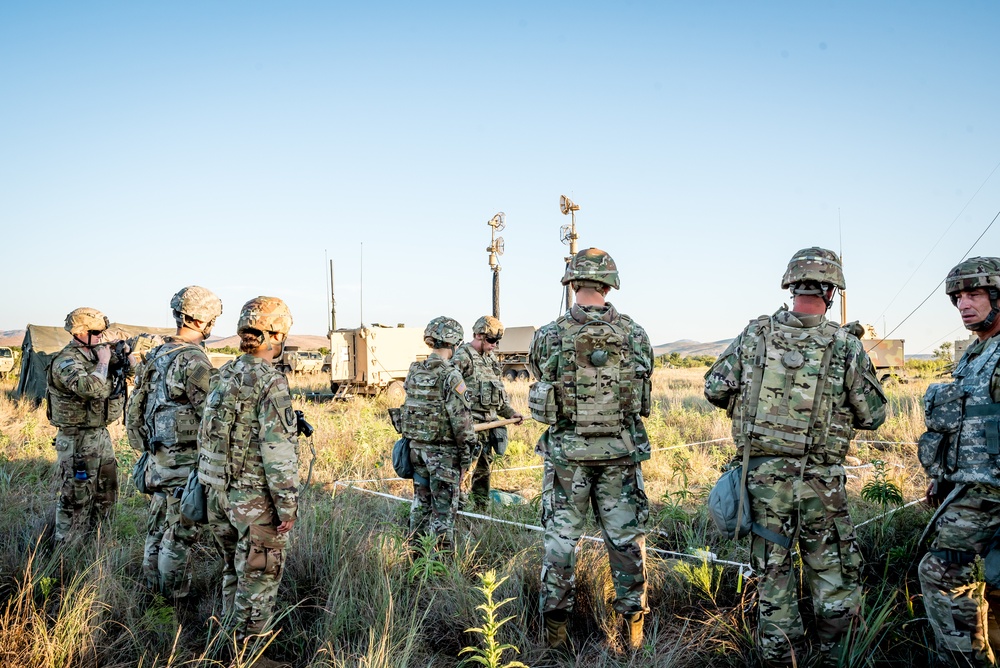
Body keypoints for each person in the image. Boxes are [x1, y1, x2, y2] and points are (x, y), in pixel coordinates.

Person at [704, 247, 887, 665]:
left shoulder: (754, 335)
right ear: (831, 290)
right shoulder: (845, 345)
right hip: (820, 483)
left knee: (772, 575)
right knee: (833, 571)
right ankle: (836, 656)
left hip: (762, 481)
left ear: (790, 286)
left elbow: (714, 388)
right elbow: (873, 416)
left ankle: (780, 656)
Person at [528, 248, 654, 651]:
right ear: (608, 283)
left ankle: (555, 638)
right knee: (626, 541)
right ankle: (632, 638)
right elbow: (645, 374)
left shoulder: (549, 334)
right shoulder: (634, 333)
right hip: (620, 456)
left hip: (568, 459)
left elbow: (536, 372)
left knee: (561, 542)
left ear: (572, 283)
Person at [197, 296, 299, 641]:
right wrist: (287, 506)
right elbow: (278, 451)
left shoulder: (224, 373)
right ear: (277, 334)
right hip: (254, 502)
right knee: (258, 581)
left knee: (233, 572)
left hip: (218, 495)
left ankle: (227, 640)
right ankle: (247, 656)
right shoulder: (270, 381)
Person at [918, 257, 1000, 667]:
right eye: (958, 298)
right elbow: (962, 423)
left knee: (943, 572)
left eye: (974, 294)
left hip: (992, 488)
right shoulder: (974, 354)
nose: (964, 305)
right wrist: (943, 476)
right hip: (974, 484)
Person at [126, 286, 222, 599]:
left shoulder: (159, 353)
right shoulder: (192, 360)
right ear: (206, 320)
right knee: (179, 536)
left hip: (158, 459)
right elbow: (214, 411)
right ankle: (172, 602)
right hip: (184, 466)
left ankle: (151, 593)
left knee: (157, 530)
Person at [47, 307, 130, 545]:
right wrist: (104, 362)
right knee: (75, 497)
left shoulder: (94, 355)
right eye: (97, 332)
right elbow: (89, 388)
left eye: (103, 332)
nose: (102, 337)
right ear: (80, 332)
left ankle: (97, 545)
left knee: (106, 491)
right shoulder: (66, 361)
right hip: (76, 439)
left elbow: (133, 371)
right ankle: (67, 555)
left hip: (99, 435)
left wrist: (126, 354)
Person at [400, 316, 477, 553]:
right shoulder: (450, 376)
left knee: (420, 506)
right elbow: (462, 423)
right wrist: (467, 459)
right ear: (454, 344)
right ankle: (439, 569)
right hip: (443, 456)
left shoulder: (415, 370)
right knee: (443, 513)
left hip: (416, 451)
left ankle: (415, 556)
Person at [451, 315, 523, 509]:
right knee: (461, 474)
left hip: (489, 427)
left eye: (497, 341)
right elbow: (449, 395)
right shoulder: (462, 357)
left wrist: (510, 413)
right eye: (491, 340)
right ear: (478, 335)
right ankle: (457, 511)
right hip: (470, 429)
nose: (494, 345)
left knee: (483, 472)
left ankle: (480, 509)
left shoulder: (491, 359)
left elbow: (498, 395)